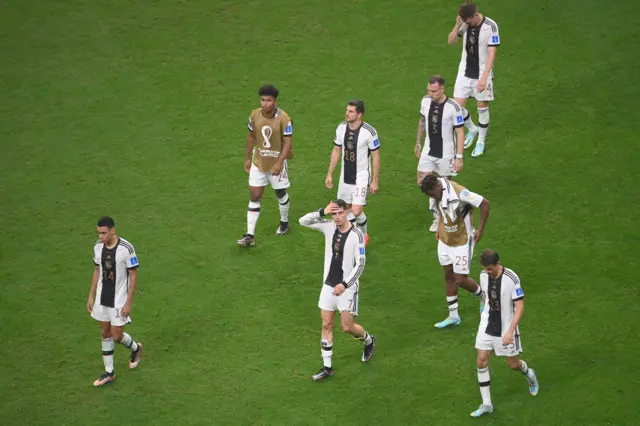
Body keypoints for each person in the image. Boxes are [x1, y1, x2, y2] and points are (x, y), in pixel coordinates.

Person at [299, 200, 376, 381]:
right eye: (334, 213)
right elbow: (303, 221)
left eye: (340, 213)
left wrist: (345, 284)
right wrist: (322, 211)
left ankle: (368, 340)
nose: (337, 217)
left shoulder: (356, 234)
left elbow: (361, 264)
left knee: (347, 327)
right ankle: (327, 367)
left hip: (346, 289)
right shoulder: (329, 227)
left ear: (347, 213)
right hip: (328, 286)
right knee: (326, 324)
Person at [470, 249, 539, 418]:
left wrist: (510, 330)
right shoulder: (483, 274)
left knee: (513, 364)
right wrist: (483, 312)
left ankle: (529, 374)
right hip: (487, 323)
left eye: (490, 268)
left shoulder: (511, 279)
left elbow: (520, 306)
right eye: (484, 268)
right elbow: (485, 296)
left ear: (498, 264)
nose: (487, 272)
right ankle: (487, 404)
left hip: (506, 327)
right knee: (481, 360)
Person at [420, 175, 490, 328]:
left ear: (438, 186)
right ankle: (453, 316)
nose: (431, 197)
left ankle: (484, 295)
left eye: (432, 194)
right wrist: (440, 227)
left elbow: (485, 203)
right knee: (448, 276)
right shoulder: (436, 193)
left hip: (462, 241)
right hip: (445, 241)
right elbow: (439, 211)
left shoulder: (460, 193)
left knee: (461, 280)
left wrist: (481, 229)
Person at [87, 216, 143, 387]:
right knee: (105, 333)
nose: (101, 237)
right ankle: (109, 372)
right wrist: (91, 295)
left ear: (113, 230)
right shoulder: (98, 247)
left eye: (104, 233)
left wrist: (128, 302)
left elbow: (133, 275)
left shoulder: (126, 248)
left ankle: (135, 348)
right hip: (102, 297)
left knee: (116, 335)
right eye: (99, 233)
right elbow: (97, 270)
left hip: (119, 299)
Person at [238, 84, 293, 247]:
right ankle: (250, 235)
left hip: (276, 163)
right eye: (262, 100)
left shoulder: (284, 118)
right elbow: (250, 136)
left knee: (280, 193)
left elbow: (288, 143)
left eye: (268, 100)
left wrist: (280, 163)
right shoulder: (254, 115)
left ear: (275, 101)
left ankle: (284, 223)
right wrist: (247, 157)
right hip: (259, 161)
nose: (265, 104)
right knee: (254, 196)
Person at [448, 2, 500, 157]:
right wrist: (457, 26)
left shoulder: (491, 26)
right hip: (464, 72)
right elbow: (451, 41)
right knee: (457, 108)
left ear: (476, 14)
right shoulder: (464, 23)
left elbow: (492, 53)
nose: (467, 24)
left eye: (468, 21)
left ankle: (481, 141)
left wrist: (484, 77)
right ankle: (472, 129)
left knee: (482, 108)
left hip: (482, 73)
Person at [415, 75, 466, 232]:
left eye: (434, 91)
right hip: (428, 150)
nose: (431, 94)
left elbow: (460, 132)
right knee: (422, 182)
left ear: (442, 89)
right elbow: (422, 122)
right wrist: (418, 142)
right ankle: (438, 215)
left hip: (446, 153)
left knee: (443, 187)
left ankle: (444, 216)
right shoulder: (425, 101)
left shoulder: (454, 107)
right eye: (429, 90)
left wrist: (459, 158)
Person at [325, 100, 380, 245]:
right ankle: (351, 237)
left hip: (361, 176)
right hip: (345, 176)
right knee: (345, 208)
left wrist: (374, 180)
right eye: (347, 110)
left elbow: (376, 156)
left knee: (355, 211)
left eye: (351, 111)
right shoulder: (341, 128)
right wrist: (330, 173)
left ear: (359, 114)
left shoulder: (369, 132)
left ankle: (363, 235)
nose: (347, 113)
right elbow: (337, 150)